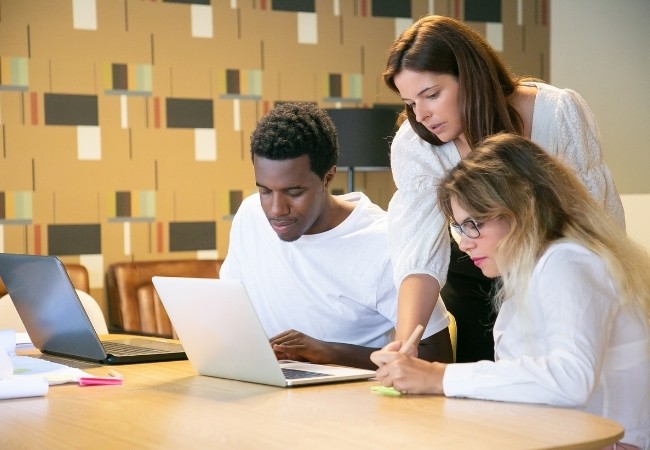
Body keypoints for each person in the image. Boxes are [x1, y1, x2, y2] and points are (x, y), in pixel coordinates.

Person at [371, 134, 650, 450]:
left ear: (522, 207)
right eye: (459, 228)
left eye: (474, 223)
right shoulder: (534, 272)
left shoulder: (568, 261)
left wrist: (437, 377)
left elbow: (570, 379)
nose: (465, 243)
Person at [381, 15, 624, 362]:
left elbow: (598, 223)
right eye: (410, 103)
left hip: (559, 270)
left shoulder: (556, 113)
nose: (421, 116)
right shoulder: (416, 144)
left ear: (470, 76)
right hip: (477, 272)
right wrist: (405, 347)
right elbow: (417, 252)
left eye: (431, 95)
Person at [219, 102, 453, 370]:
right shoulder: (250, 215)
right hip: (266, 382)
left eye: (293, 192)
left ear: (328, 178)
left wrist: (328, 352)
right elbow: (229, 310)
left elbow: (438, 356)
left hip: (352, 393)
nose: (276, 209)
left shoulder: (386, 243)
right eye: (265, 191)